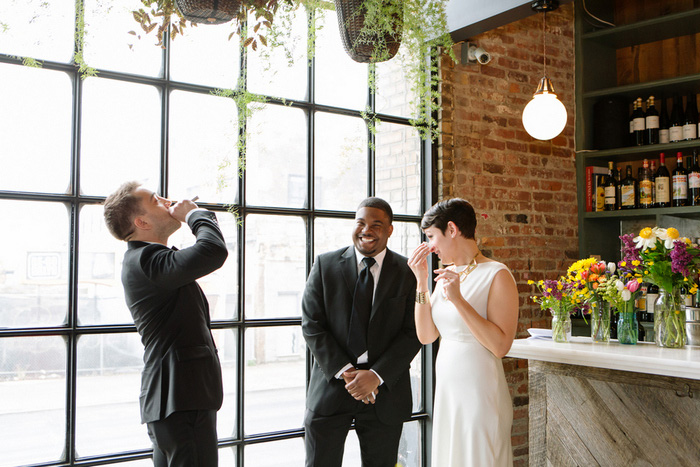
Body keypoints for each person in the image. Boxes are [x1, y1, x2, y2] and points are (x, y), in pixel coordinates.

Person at [103, 181, 228, 467]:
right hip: (180, 400)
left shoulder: (148, 260)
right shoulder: (146, 260)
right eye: (155, 200)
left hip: (176, 400)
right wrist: (195, 215)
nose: (168, 201)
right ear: (141, 221)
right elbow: (212, 251)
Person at [301, 197, 421, 467]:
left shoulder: (407, 272)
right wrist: (348, 373)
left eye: (376, 225)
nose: (366, 230)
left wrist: (376, 376)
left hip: (384, 394)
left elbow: (413, 332)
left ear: (390, 230)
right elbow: (312, 324)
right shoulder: (325, 265)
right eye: (361, 223)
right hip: (331, 389)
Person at [408, 198, 519, 467]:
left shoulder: (497, 274)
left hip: (480, 392)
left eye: (432, 236)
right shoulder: (446, 274)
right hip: (448, 391)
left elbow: (500, 346)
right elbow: (426, 336)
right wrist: (422, 283)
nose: (430, 246)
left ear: (452, 229)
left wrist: (458, 299)